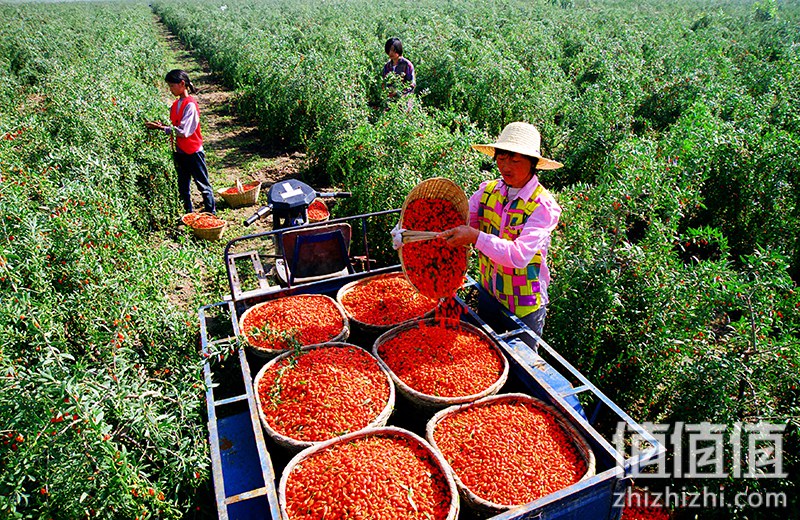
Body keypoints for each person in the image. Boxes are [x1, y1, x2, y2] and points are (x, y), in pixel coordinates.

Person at [439, 122, 563, 340]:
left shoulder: (542, 206)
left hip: (524, 306)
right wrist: (410, 232)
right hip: (489, 294)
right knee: (486, 348)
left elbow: (519, 256)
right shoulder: (488, 191)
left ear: (533, 164)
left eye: (515, 160)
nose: (506, 166)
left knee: (520, 364)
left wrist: (475, 237)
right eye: (502, 158)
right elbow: (460, 220)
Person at [145, 69, 216, 215]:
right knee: (183, 186)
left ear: (182, 84)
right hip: (180, 151)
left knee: (203, 185)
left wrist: (162, 128)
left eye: (172, 86)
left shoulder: (190, 105)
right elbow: (173, 123)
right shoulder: (176, 104)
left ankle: (211, 214)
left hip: (193, 151)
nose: (170, 89)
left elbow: (184, 132)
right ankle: (188, 213)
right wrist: (162, 124)